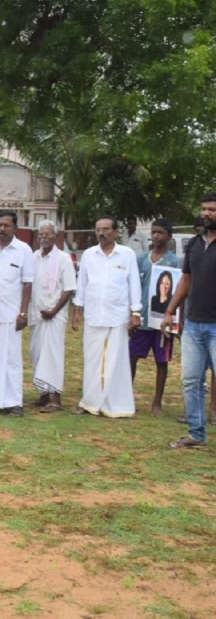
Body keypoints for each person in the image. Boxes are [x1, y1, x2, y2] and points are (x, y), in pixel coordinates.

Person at [71, 216, 141, 417]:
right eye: (98, 230)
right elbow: (82, 284)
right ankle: (90, 402)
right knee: (92, 360)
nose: (101, 233)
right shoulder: (89, 255)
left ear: (116, 232)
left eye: (106, 229)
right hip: (94, 315)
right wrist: (77, 311)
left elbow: (134, 283)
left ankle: (116, 405)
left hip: (117, 315)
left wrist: (135, 312)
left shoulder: (126, 254)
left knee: (115, 361)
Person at [163, 192, 216, 448]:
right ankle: (197, 434)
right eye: (204, 209)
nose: (206, 213)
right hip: (193, 325)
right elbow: (186, 279)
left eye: (212, 209)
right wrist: (170, 310)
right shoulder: (195, 243)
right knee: (191, 381)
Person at [0, 210, 33, 417]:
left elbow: (28, 283)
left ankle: (14, 402)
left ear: (14, 228)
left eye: (6, 225)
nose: (2, 229)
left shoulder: (23, 250)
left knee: (11, 359)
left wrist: (23, 313)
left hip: (11, 313)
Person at [128, 220, 181, 417]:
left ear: (169, 236)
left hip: (162, 322)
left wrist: (176, 321)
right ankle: (127, 396)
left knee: (161, 361)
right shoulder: (141, 259)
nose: (156, 236)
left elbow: (178, 292)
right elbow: (134, 288)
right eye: (153, 232)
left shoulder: (174, 262)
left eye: (160, 232)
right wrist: (132, 314)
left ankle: (157, 402)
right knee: (132, 357)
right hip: (141, 319)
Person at [28, 220, 76, 413]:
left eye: (47, 234)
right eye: (41, 235)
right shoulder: (33, 257)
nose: (43, 238)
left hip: (55, 316)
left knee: (53, 355)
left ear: (55, 237)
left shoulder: (64, 259)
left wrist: (54, 310)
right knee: (37, 353)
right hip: (37, 314)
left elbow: (69, 288)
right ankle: (43, 395)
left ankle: (55, 398)